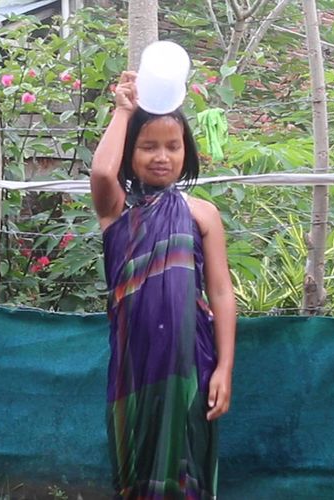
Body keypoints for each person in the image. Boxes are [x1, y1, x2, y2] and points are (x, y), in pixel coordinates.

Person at [90, 71, 236, 499]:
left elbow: (222, 293)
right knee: (136, 465)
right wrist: (122, 110)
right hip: (136, 363)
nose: (162, 156)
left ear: (186, 152)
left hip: (194, 360)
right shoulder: (115, 211)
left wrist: (225, 368)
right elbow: (101, 172)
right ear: (130, 154)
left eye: (172, 146)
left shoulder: (202, 213)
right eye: (148, 146)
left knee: (189, 462)